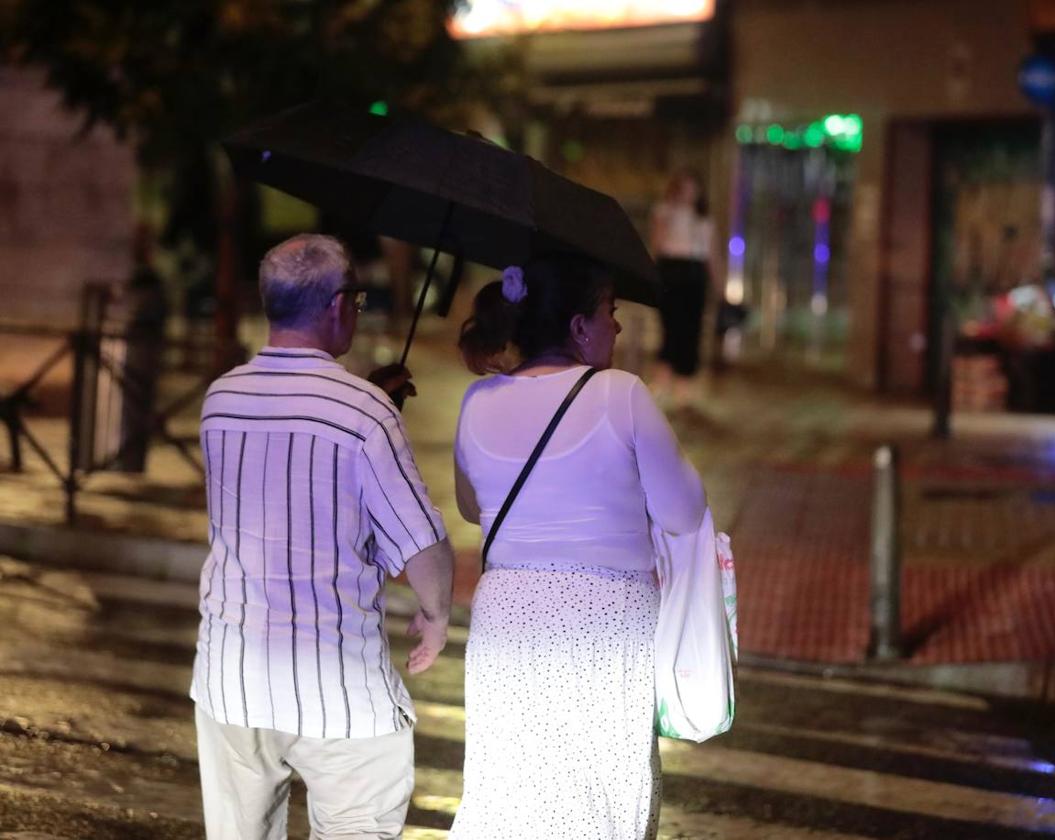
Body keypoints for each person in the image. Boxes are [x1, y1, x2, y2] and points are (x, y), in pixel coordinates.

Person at [191, 233, 454, 839]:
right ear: (338, 305)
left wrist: (370, 400)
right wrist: (436, 617)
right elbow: (422, 546)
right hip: (337, 691)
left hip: (231, 680)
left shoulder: (219, 399)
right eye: (357, 301)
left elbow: (286, 481)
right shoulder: (364, 416)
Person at [450, 256, 707, 839]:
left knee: (511, 795)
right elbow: (684, 511)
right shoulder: (622, 395)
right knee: (598, 799)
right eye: (609, 312)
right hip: (603, 622)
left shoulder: (477, 401)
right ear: (577, 326)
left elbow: (472, 507)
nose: (616, 327)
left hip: (507, 620)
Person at [650, 169, 717, 408]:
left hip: (694, 271)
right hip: (671, 269)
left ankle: (683, 384)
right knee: (670, 324)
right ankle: (663, 378)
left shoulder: (704, 219)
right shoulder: (664, 211)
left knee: (692, 327)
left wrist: (717, 283)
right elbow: (657, 244)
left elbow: (711, 253)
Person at [115, 223, 168, 472]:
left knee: (136, 403)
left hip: (142, 346)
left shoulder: (148, 280)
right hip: (139, 346)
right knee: (133, 403)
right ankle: (129, 459)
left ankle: (131, 460)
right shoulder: (144, 278)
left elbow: (148, 311)